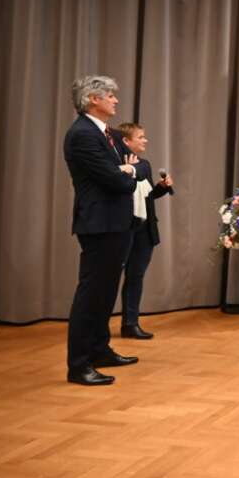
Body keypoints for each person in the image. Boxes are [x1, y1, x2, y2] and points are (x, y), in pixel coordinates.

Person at [63, 75, 140, 385]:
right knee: (91, 294)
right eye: (110, 95)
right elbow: (116, 180)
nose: (116, 100)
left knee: (106, 292)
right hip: (99, 224)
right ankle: (79, 365)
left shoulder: (107, 133)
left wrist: (128, 169)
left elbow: (136, 167)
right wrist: (127, 172)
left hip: (116, 222)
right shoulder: (82, 134)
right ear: (93, 99)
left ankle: (99, 350)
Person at [117, 122, 174, 339]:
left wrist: (162, 187)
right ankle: (97, 326)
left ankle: (130, 324)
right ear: (126, 141)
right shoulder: (113, 164)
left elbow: (146, 196)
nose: (145, 140)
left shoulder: (145, 165)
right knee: (109, 278)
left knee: (136, 276)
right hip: (122, 229)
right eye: (140, 137)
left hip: (144, 230)